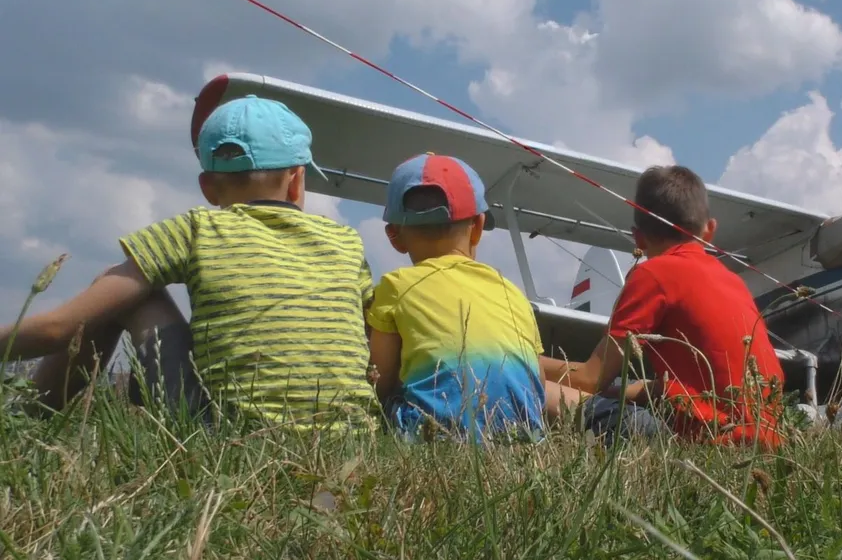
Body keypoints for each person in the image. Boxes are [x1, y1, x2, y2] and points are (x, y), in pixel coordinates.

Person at [0, 95, 381, 432]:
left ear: (208, 187)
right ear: (297, 180)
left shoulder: (197, 228)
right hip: (349, 438)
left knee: (121, 290)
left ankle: (24, 424)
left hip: (224, 436)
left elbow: (58, 329)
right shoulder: (346, 241)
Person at [540, 165, 787, 449]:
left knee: (537, 388)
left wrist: (524, 362)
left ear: (638, 237)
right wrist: (617, 391)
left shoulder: (652, 274)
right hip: (767, 442)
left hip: (707, 443)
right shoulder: (734, 282)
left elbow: (588, 379)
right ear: (710, 231)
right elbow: (676, 389)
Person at [366, 152, 561, 442]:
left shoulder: (395, 286)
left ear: (394, 236)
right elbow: (538, 387)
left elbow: (378, 382)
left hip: (436, 437)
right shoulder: (512, 292)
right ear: (478, 228)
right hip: (523, 440)